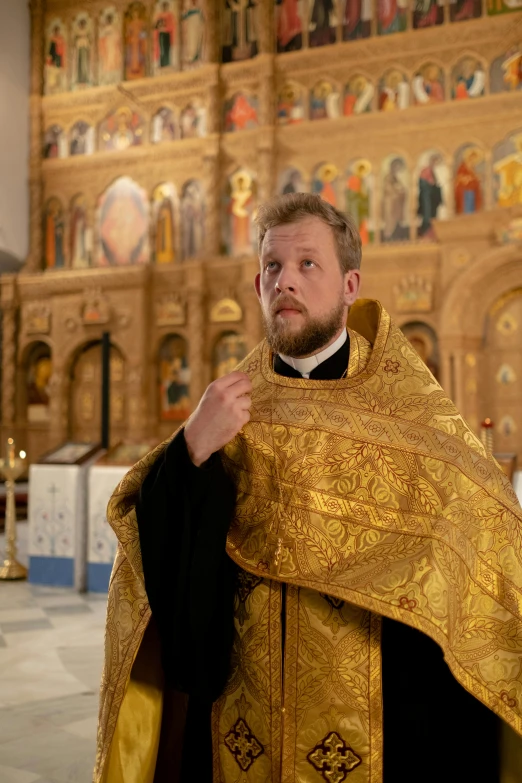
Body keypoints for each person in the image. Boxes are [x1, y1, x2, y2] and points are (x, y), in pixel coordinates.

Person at [94, 193, 522, 783]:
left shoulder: (413, 416)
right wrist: (190, 452)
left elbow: (482, 544)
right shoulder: (226, 412)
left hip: (382, 721)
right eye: (273, 267)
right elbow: (158, 548)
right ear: (256, 284)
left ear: (350, 284)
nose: (286, 282)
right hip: (242, 725)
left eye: (307, 265)